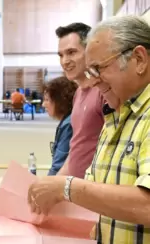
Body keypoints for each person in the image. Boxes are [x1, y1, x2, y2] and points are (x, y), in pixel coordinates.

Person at [28, 15, 150, 244]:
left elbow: (147, 206)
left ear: (138, 59)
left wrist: (65, 187)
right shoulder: (115, 117)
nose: (93, 79)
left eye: (100, 68)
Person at [54, 23, 105, 179]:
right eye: (61, 55)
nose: (65, 61)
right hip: (74, 190)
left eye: (71, 52)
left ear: (89, 50)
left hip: (93, 191)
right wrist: (55, 182)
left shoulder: (104, 92)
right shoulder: (78, 94)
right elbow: (76, 149)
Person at [43, 76, 78, 175]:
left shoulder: (68, 125)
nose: (43, 104)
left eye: (47, 100)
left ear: (60, 101)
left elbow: (59, 165)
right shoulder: (68, 120)